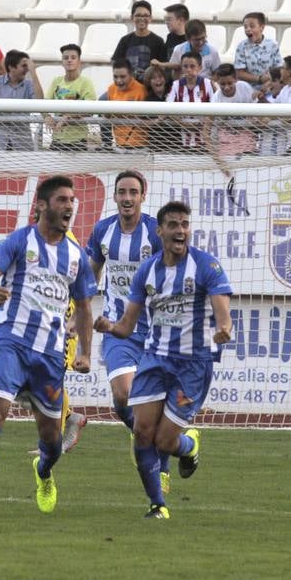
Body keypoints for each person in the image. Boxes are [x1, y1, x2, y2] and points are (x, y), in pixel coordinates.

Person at [0, 176, 95, 523]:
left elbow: (84, 308)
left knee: (51, 440)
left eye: (72, 200)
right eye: (62, 200)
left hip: (49, 356)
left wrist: (86, 354)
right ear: (42, 205)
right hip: (11, 343)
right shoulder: (18, 242)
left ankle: (43, 472)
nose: (69, 206)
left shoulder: (76, 257)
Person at [96, 200, 233, 519]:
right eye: (173, 225)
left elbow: (222, 313)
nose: (180, 230)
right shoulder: (147, 269)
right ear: (161, 232)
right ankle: (157, 504)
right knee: (142, 432)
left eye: (185, 224)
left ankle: (189, 447)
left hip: (192, 364)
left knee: (164, 440)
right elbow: (127, 325)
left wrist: (224, 328)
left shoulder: (206, 266)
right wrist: (110, 327)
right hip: (155, 360)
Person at [86, 171, 167, 487]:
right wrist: (76, 314)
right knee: (123, 396)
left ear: (143, 196)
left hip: (156, 331)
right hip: (118, 329)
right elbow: (91, 277)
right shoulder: (103, 231)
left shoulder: (154, 233)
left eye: (133, 192)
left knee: (151, 402)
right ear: (115, 196)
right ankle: (152, 441)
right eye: (122, 192)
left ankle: (161, 460)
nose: (127, 198)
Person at [0, 50, 37, 150]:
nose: (27, 69)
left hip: (22, 142)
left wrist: (33, 72)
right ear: (11, 67)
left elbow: (39, 101)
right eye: (24, 66)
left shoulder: (29, 84)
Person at [44, 43, 97, 151]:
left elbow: (90, 109)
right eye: (66, 58)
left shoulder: (86, 82)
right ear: (62, 62)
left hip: (78, 140)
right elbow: (44, 103)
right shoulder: (56, 81)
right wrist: (46, 116)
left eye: (73, 57)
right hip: (57, 139)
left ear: (79, 62)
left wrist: (67, 117)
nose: (69, 60)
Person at [166, 50, 220, 151]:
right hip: (182, 138)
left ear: (200, 67)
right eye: (185, 66)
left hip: (206, 137)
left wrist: (203, 123)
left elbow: (215, 107)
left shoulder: (208, 84)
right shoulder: (176, 85)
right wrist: (183, 124)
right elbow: (168, 109)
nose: (188, 70)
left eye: (192, 66)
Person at [112, 0, 166, 80]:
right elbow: (116, 63)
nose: (142, 18)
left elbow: (163, 68)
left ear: (150, 18)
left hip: (149, 86)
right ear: (132, 18)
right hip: (129, 85)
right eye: (138, 15)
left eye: (145, 16)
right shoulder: (125, 40)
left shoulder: (158, 41)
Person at [105, 59, 148, 150]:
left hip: (140, 145)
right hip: (119, 143)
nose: (119, 81)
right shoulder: (111, 89)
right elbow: (107, 115)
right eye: (115, 77)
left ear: (131, 75)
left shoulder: (141, 90)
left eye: (122, 77)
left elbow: (146, 118)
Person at [157, 19, 221, 77]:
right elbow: (174, 71)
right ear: (188, 39)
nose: (201, 42)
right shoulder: (178, 50)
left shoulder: (213, 51)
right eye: (197, 40)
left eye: (203, 38)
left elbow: (217, 72)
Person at [233, 12, 280, 85]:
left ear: (262, 27)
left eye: (252, 26)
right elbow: (239, 73)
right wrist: (259, 79)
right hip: (248, 88)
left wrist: (269, 79)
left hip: (268, 86)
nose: (248, 29)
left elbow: (279, 68)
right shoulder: (241, 46)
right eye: (245, 27)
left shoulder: (273, 45)